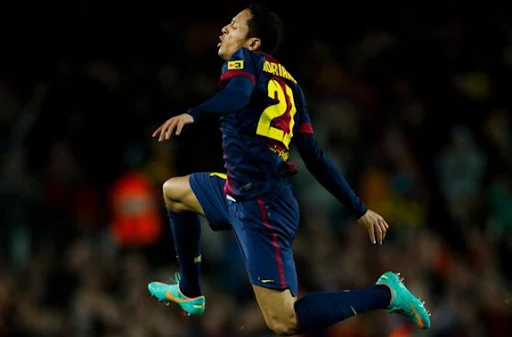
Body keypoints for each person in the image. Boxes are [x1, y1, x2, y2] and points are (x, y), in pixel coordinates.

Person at [148, 4, 430, 335]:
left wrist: (193, 114)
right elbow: (315, 157)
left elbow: (238, 94)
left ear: (253, 43)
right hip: (237, 191)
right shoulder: (293, 87)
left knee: (284, 321)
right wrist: (360, 209)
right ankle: (190, 293)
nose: (224, 29)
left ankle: (386, 293)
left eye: (235, 25)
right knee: (173, 192)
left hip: (262, 206)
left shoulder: (245, 61)